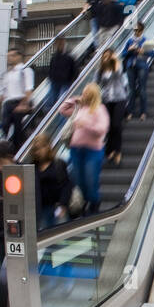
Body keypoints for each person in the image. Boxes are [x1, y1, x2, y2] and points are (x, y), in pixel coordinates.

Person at [59, 84, 109, 215]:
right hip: (76, 149)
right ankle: (83, 205)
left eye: (87, 93)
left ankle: (94, 205)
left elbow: (101, 130)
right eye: (84, 93)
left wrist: (86, 125)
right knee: (78, 180)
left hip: (92, 151)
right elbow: (63, 110)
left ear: (93, 95)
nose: (84, 95)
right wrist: (73, 100)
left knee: (90, 179)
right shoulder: (81, 108)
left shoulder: (100, 109)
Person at [97, 49, 129, 166]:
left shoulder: (117, 67)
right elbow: (97, 84)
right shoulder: (100, 71)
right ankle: (110, 150)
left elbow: (119, 73)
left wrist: (115, 59)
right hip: (106, 100)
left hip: (119, 98)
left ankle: (118, 150)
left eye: (107, 56)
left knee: (116, 124)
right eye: (104, 56)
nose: (105, 58)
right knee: (108, 126)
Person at [0, 46, 34, 146]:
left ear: (19, 56)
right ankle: (5, 151)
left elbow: (29, 88)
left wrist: (24, 104)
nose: (9, 58)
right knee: (4, 127)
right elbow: (4, 91)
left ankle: (17, 152)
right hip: (8, 104)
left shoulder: (25, 70)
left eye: (12, 56)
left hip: (19, 102)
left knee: (18, 130)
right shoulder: (7, 74)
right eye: (8, 56)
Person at [123, 22, 151, 121]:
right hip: (131, 66)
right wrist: (129, 50)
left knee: (142, 89)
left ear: (142, 30)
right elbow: (123, 54)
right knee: (131, 90)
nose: (136, 32)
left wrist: (143, 51)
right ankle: (130, 112)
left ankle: (143, 112)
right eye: (135, 30)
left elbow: (153, 53)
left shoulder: (146, 40)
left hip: (142, 65)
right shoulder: (129, 41)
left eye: (138, 30)